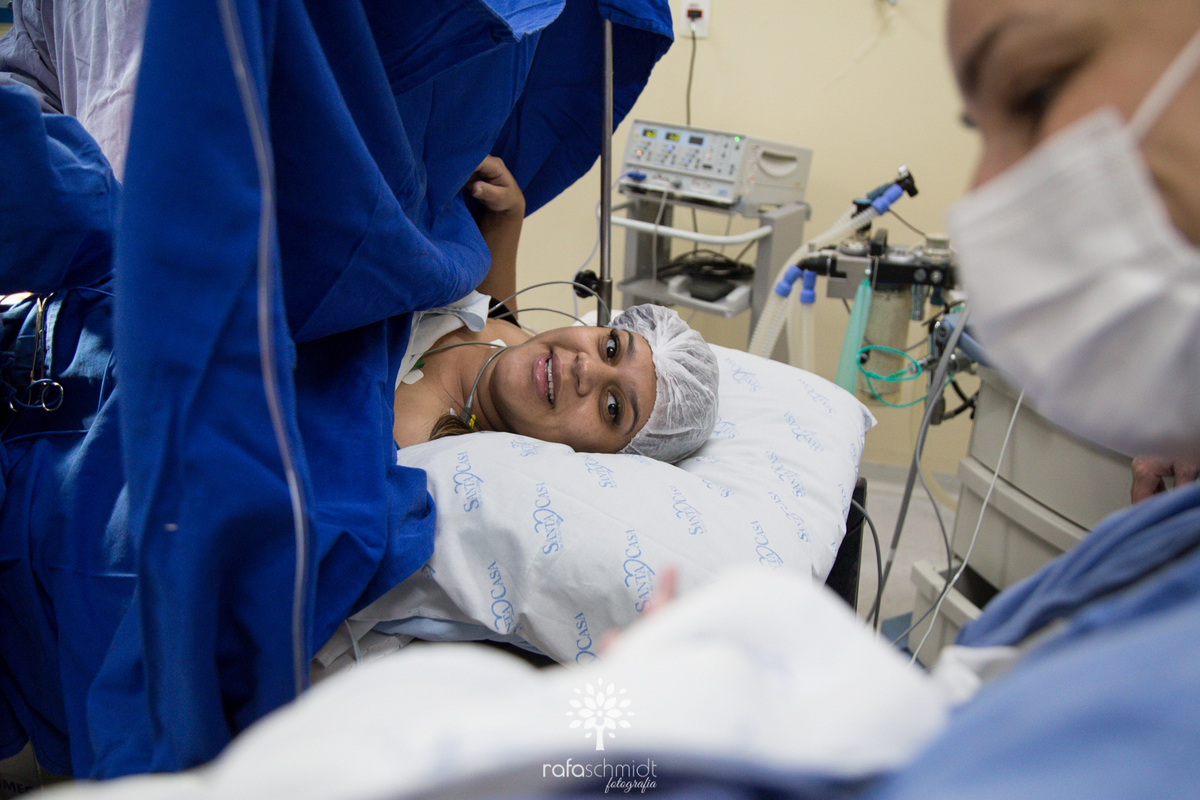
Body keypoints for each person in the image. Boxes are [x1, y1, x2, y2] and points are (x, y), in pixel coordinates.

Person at [394, 156, 720, 463]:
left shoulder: (409, 443)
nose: (586, 368)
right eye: (611, 348)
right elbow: (499, 312)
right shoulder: (518, 342)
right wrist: (509, 214)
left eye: (612, 407)